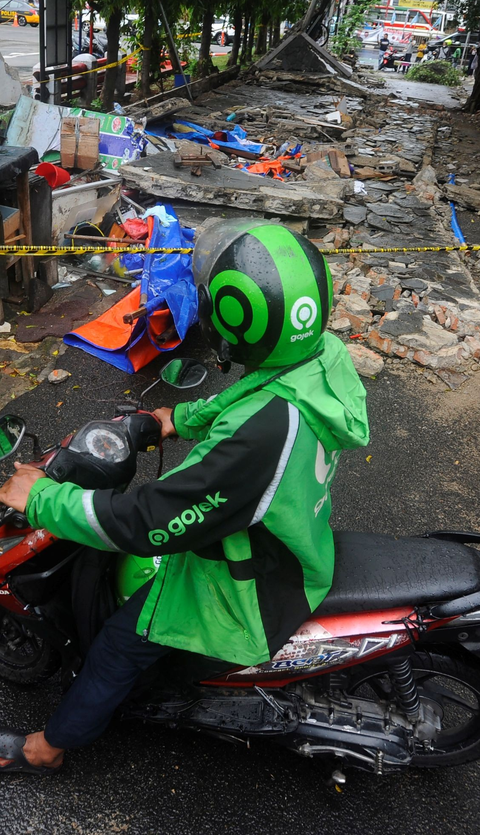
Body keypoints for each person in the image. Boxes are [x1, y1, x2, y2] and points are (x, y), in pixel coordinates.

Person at [0, 221, 369, 775]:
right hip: (293, 531)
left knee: (120, 648)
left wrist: (44, 497)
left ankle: (47, 748)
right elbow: (257, 394)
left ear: (233, 317)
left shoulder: (258, 441)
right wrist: (176, 418)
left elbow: (149, 522)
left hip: (247, 586)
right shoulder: (322, 356)